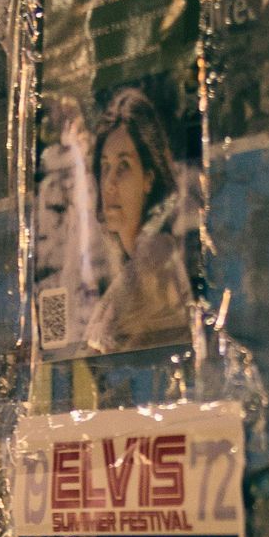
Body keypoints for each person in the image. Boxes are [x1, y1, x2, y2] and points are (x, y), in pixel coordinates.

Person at [83, 87, 191, 351]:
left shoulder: (157, 256)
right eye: (105, 167)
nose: (109, 183)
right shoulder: (140, 259)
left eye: (124, 167)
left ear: (149, 178)